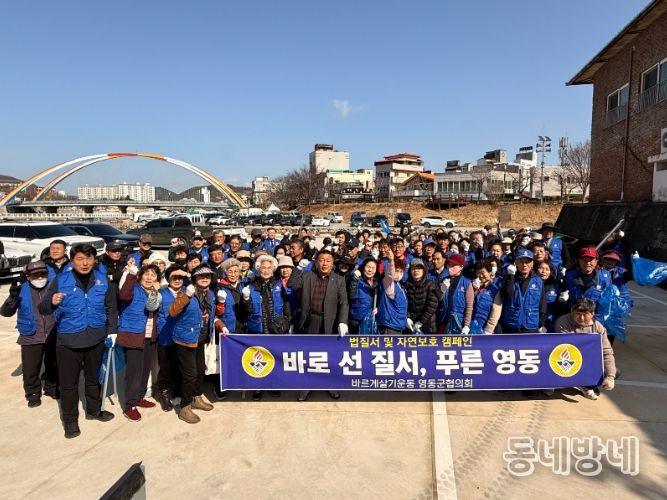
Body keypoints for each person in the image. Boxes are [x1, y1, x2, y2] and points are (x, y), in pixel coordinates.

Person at [39, 243, 117, 438]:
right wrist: (52, 302)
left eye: (89, 258)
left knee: (94, 379)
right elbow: (43, 308)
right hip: (69, 340)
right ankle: (70, 421)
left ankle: (94, 410)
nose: (85, 263)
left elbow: (111, 308)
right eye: (80, 259)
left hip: (96, 338)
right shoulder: (60, 280)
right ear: (72, 261)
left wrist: (112, 331)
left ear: (94, 260)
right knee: (68, 384)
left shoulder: (102, 280)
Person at [168, 265, 222, 424]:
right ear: (194, 278)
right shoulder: (186, 292)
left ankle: (196, 397)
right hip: (185, 339)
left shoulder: (209, 293)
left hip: (200, 337)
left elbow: (211, 314)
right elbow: (172, 311)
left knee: (200, 370)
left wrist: (218, 322)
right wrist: (186, 296)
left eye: (207, 276)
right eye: (201, 276)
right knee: (189, 374)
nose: (204, 278)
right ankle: (184, 407)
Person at [293, 249, 349, 402]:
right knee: (309, 355)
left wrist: (342, 321)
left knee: (329, 355)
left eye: (328, 261)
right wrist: (298, 268)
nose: (325, 263)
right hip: (310, 320)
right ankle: (306, 386)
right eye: (322, 260)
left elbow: (344, 303)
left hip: (329, 322)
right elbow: (292, 284)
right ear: (317, 262)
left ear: (332, 263)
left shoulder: (339, 280)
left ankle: (331, 385)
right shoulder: (307, 275)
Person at [1, 261, 59, 407]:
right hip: (30, 334)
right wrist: (12, 297)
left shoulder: (54, 287)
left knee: (53, 364)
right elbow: (6, 312)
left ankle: (51, 387)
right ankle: (32, 393)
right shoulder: (21, 289)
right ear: (28, 276)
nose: (40, 278)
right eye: (35, 275)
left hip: (53, 332)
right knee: (31, 368)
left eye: (43, 274)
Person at [117, 263, 162, 422]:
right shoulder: (133, 288)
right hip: (133, 334)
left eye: (153, 275)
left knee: (145, 369)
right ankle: (129, 405)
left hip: (149, 336)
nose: (149, 278)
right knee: (133, 372)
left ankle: (139, 398)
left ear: (157, 279)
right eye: (146, 274)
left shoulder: (157, 292)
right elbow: (123, 295)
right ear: (140, 276)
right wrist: (131, 274)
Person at [244, 254, 292, 400]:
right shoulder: (251, 286)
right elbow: (246, 310)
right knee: (259, 359)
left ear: (273, 269)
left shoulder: (279, 284)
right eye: (263, 268)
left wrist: (288, 322)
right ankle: (258, 386)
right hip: (258, 328)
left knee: (275, 357)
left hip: (276, 328)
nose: (266, 270)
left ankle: (274, 384)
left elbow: (286, 304)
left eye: (269, 268)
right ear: (258, 269)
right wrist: (246, 299)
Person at [555, 298, 616, 400]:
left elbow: (606, 352)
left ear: (592, 314)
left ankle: (586, 384)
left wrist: (610, 377)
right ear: (572, 311)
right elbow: (564, 348)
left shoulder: (598, 328)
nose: (581, 318)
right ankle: (577, 382)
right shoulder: (562, 322)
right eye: (578, 314)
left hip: (588, 361)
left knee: (614, 372)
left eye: (585, 314)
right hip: (568, 361)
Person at [155, 266, 189, 412]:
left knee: (180, 366)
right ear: (168, 278)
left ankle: (177, 392)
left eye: (180, 278)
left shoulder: (187, 292)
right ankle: (164, 393)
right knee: (165, 367)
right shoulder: (162, 293)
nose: (177, 280)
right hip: (165, 336)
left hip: (183, 336)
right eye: (174, 277)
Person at [499, 248, 547, 334]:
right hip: (511, 325)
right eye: (521, 261)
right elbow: (508, 294)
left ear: (532, 264)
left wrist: (541, 323)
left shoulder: (538, 281)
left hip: (531, 325)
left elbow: (542, 304)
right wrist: (510, 277)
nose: (524, 265)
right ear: (516, 263)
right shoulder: (508, 278)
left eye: (527, 262)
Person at [561, 246, 612, 324]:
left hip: (594, 322)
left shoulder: (604, 279)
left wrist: (595, 323)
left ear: (596, 261)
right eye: (584, 260)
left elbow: (605, 306)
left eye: (591, 260)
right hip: (572, 321)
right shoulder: (569, 276)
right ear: (579, 261)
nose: (587, 263)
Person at [438, 253, 474, 334]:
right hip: (443, 320)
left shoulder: (467, 283)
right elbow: (438, 300)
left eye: (453, 265)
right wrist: (442, 291)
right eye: (449, 265)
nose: (450, 267)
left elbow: (469, 306)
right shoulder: (444, 280)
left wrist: (466, 325)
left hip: (458, 322)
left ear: (461, 267)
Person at [376, 248, 408, 335]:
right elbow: (390, 274)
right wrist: (391, 261)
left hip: (398, 326)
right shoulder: (389, 283)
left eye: (401, 272)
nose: (399, 274)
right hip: (389, 327)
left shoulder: (400, 286)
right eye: (397, 271)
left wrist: (406, 319)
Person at [405, 258, 438, 334]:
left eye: (419, 268)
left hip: (428, 325)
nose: (416, 271)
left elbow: (432, 305)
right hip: (411, 324)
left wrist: (421, 321)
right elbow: (404, 303)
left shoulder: (429, 284)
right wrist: (407, 317)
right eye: (413, 268)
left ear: (423, 271)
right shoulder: (406, 285)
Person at [470, 260, 502, 335]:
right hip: (469, 327)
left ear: (490, 272)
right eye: (478, 273)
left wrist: (488, 330)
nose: (480, 275)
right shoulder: (471, 286)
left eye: (483, 272)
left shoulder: (495, 289)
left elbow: (495, 312)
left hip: (484, 329)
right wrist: (473, 290)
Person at [348, 258, 379, 335]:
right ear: (363, 267)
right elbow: (351, 295)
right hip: (356, 320)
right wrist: (354, 279)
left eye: (373, 268)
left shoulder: (377, 283)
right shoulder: (356, 279)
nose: (370, 270)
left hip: (370, 321)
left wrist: (378, 308)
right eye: (368, 267)